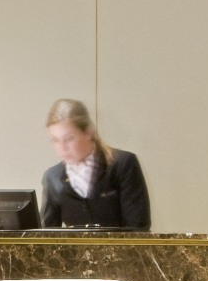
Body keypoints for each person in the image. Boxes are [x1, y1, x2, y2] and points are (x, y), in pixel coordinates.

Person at [38, 98, 151, 229]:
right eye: (55, 140)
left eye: (69, 138)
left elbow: (138, 227)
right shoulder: (52, 177)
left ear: (88, 132)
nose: (62, 147)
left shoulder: (123, 164)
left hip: (122, 249)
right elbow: (46, 235)